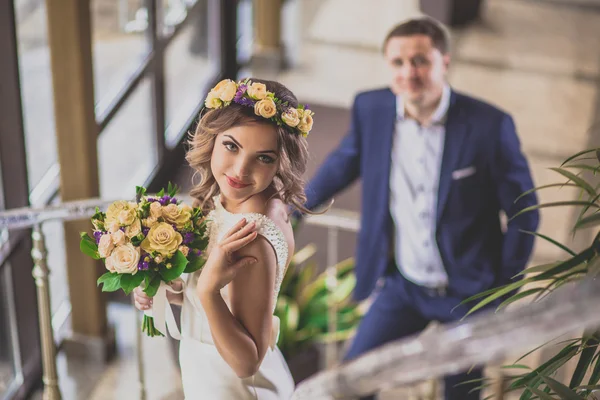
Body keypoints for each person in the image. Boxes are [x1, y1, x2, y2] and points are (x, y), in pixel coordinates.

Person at [299, 17, 540, 400]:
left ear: (444, 61)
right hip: (403, 285)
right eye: (397, 62)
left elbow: (525, 212)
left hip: (469, 294)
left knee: (460, 393)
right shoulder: (371, 108)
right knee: (353, 381)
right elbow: (345, 161)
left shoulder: (489, 126)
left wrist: (502, 290)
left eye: (420, 61)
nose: (408, 73)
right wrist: (295, 207)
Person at [134, 77, 315, 399]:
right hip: (204, 368)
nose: (240, 170)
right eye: (232, 146)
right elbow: (214, 303)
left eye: (264, 157)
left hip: (231, 384)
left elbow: (247, 362)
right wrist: (164, 288)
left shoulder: (250, 237)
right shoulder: (229, 200)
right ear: (212, 139)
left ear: (280, 162)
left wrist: (207, 290)